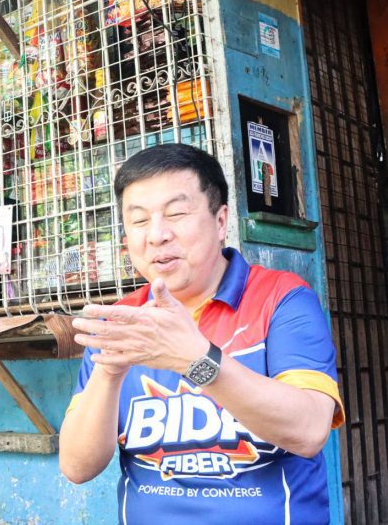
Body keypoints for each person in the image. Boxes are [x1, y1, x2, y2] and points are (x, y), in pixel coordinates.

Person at [59, 143, 344, 524]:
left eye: (176, 214)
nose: (157, 235)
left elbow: (309, 431)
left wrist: (198, 360)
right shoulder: (120, 322)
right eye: (139, 220)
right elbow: (77, 467)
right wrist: (109, 373)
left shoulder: (281, 299)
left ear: (221, 220)